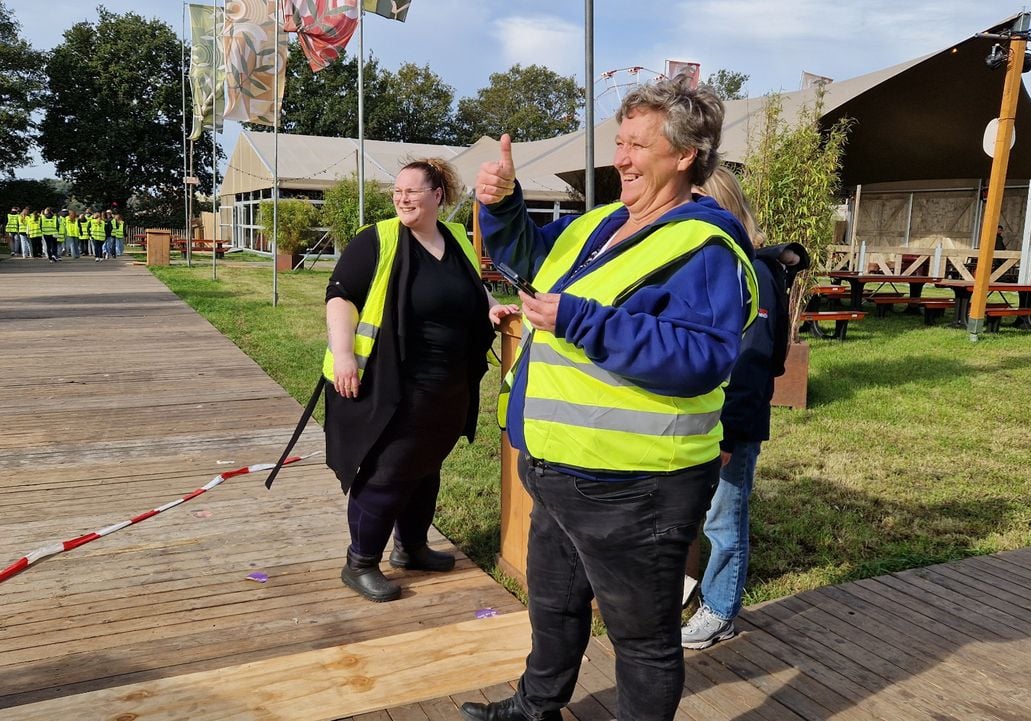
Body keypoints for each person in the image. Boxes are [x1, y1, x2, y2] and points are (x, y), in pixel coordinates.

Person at [463, 79, 758, 721]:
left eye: (637, 145)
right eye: (618, 142)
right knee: (553, 605)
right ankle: (533, 709)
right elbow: (530, 254)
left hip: (637, 485)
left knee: (642, 641)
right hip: (559, 465)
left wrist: (581, 321)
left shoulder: (705, 245)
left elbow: (703, 356)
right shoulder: (604, 224)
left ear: (685, 155)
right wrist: (505, 203)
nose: (619, 158)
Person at [323, 157, 518, 604]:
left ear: (437, 195)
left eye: (412, 190)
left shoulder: (456, 239)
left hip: (449, 383)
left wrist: (490, 307)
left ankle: (411, 548)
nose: (402, 197)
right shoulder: (378, 238)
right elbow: (339, 297)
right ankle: (360, 563)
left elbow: (472, 287)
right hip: (393, 383)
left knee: (427, 467)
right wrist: (343, 355)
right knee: (389, 471)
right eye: (398, 191)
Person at [680, 166, 810, 650]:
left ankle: (719, 610)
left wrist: (729, 436)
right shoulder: (722, 265)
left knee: (724, 519)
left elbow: (755, 364)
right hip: (701, 421)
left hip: (729, 425)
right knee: (704, 514)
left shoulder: (751, 271)